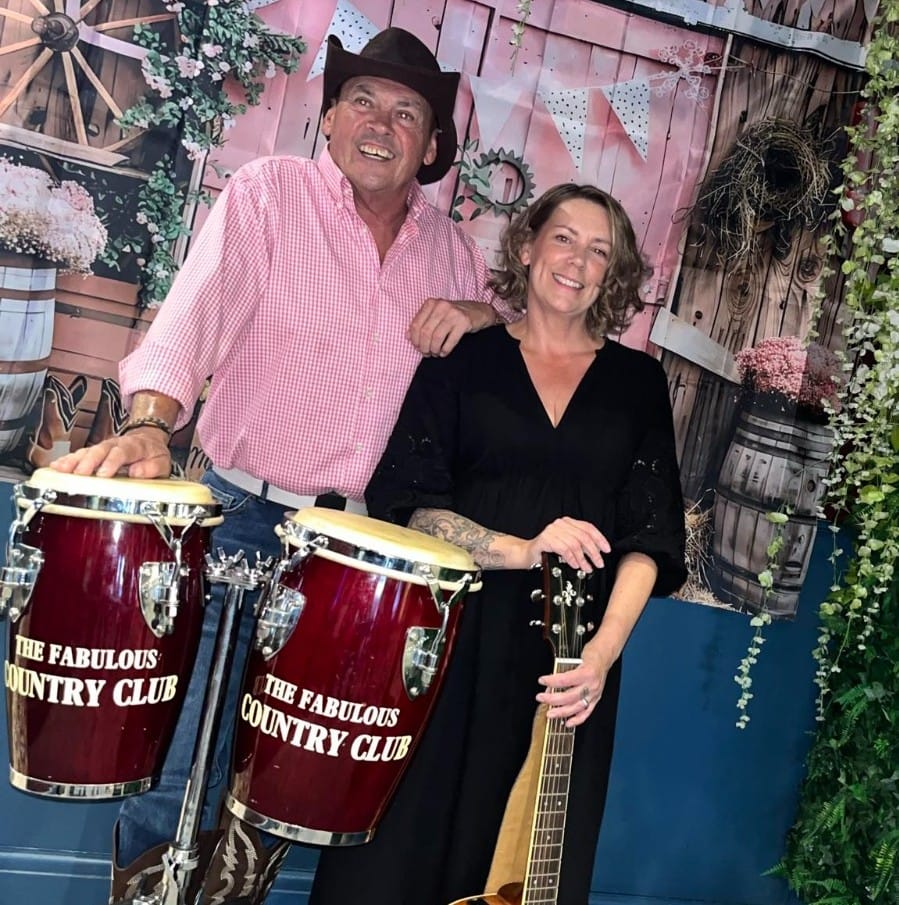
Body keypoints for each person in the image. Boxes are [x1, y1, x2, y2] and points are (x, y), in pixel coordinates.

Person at [52, 27, 512, 905]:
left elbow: (491, 385)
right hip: (242, 516)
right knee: (177, 756)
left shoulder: (452, 256)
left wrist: (482, 318)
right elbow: (191, 318)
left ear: (432, 148)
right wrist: (152, 422)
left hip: (360, 551)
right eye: (364, 103)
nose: (382, 124)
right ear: (331, 120)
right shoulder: (270, 195)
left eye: (407, 112)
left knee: (284, 783)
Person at [309, 183, 688, 905]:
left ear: (614, 274)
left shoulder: (638, 383)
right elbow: (410, 505)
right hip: (445, 640)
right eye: (564, 237)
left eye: (600, 251)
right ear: (526, 246)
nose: (578, 260)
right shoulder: (463, 361)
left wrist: (601, 659)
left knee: (518, 867)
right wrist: (524, 549)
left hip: (567, 659)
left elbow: (651, 538)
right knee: (397, 850)